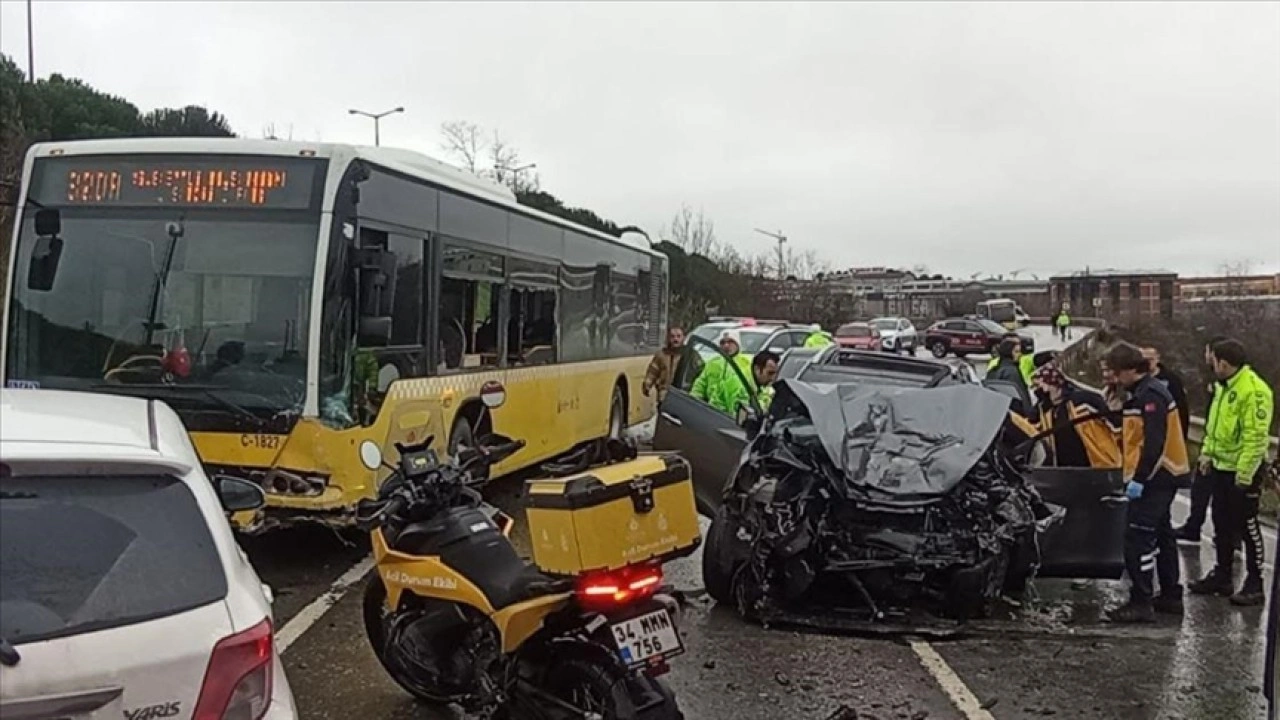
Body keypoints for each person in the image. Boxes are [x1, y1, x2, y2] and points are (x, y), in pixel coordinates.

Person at [1105, 342, 1190, 623]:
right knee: (1164, 536)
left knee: (1138, 538)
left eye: (1117, 373)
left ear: (1131, 370)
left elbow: (1154, 442)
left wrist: (1139, 479)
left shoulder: (1150, 395)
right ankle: (1170, 595)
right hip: (1161, 476)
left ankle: (1141, 600)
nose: (1115, 379)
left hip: (1157, 477)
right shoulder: (1140, 393)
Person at [1188, 338, 1275, 606]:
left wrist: (1245, 474)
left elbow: (1255, 437)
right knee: (1221, 523)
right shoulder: (1224, 388)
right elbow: (1215, 428)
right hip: (1220, 467)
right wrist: (1207, 454)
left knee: (1247, 527)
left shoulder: (1254, 391)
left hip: (1242, 471)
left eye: (1212, 360)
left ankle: (1255, 582)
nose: (1210, 364)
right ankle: (1222, 575)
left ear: (1223, 362)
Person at [1174, 335, 1230, 543]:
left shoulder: (1227, 383)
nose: (1205, 356)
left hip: (1224, 451)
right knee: (1200, 491)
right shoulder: (1212, 378)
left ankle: (1227, 539)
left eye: (1208, 352)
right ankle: (1194, 526)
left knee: (1221, 501)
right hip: (1211, 445)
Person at [1015, 361, 1120, 469]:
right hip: (1064, 470)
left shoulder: (1082, 401)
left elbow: (1114, 424)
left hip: (1094, 466)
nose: (1037, 388)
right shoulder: (1045, 409)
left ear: (1051, 383)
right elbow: (1030, 428)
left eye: (1040, 383)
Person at [690, 329, 753, 414]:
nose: (726, 346)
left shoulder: (747, 364)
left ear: (738, 344)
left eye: (730, 342)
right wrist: (693, 403)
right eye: (723, 343)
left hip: (736, 415)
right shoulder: (712, 363)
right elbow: (700, 385)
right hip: (712, 412)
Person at [726, 350, 782, 416]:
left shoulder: (760, 385)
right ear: (757, 369)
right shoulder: (741, 385)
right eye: (770, 373)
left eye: (775, 373)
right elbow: (738, 417)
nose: (773, 378)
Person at [642, 326, 684, 401]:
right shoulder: (661, 355)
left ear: (683, 337)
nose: (675, 339)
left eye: (678, 336)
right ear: (668, 338)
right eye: (672, 336)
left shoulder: (688, 355)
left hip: (681, 396)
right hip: (664, 395)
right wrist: (647, 385)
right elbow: (652, 372)